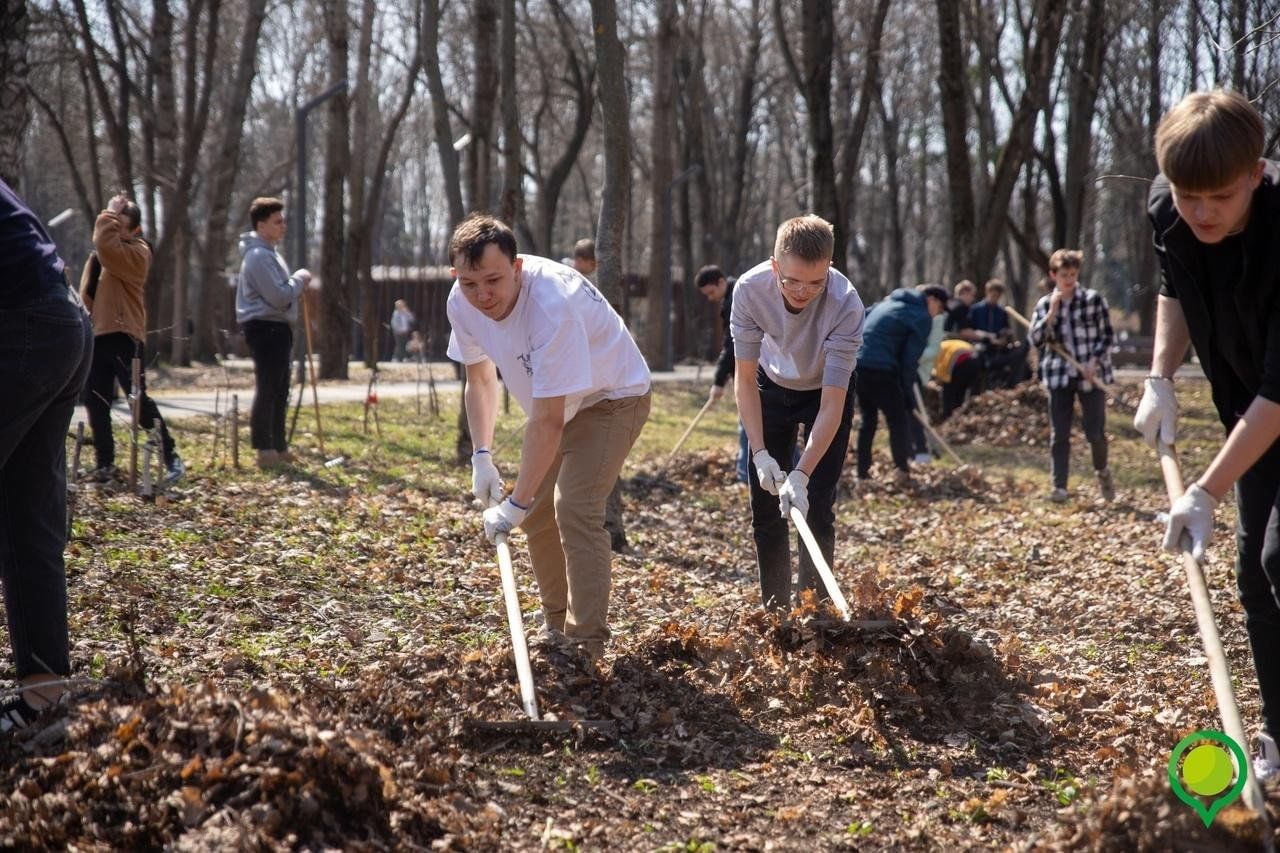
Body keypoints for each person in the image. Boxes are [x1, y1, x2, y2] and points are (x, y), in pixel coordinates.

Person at [1138, 89, 1280, 779]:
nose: (1199, 212)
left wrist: (1205, 489)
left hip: (1273, 402)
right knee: (1256, 577)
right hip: (1246, 412)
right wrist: (1160, 375)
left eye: (1218, 196)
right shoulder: (1170, 210)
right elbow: (1175, 287)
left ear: (1257, 172)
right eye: (1187, 194)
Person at [447, 215, 651, 661]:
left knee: (574, 506)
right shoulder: (461, 303)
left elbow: (549, 422)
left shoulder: (551, 304)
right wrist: (481, 455)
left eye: (494, 281)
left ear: (517, 267)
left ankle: (586, 641)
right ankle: (555, 624)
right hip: (560, 403)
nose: (483, 295)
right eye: (469, 283)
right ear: (455, 276)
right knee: (538, 513)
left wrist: (513, 505)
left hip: (614, 394)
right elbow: (480, 379)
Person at [731, 215, 865, 613]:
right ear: (775, 266)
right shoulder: (750, 290)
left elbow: (832, 405)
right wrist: (759, 453)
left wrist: (801, 475)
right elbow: (743, 379)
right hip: (770, 387)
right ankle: (775, 611)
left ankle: (814, 610)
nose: (802, 291)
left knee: (818, 506)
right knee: (766, 506)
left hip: (825, 389)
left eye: (815, 282)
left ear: (830, 268)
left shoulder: (846, 303)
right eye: (791, 280)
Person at [0, 178, 94, 733]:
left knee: (27, 517)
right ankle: (43, 700)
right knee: (25, 516)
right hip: (62, 320)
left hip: (26, 326)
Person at [79, 193, 184, 484]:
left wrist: (107, 215)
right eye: (113, 222)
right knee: (96, 401)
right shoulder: (100, 256)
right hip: (98, 335)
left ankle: (171, 457)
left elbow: (107, 248)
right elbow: (86, 296)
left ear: (135, 229)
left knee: (138, 402)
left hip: (126, 336)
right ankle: (105, 464)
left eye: (120, 224)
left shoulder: (138, 252)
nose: (115, 228)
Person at [1028, 249, 1115, 503]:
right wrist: (1051, 314)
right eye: (1064, 275)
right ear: (1053, 275)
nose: (1069, 280)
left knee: (1094, 432)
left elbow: (1107, 335)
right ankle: (1059, 487)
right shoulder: (1045, 304)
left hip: (1091, 374)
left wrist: (1093, 361)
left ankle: (1102, 471)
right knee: (1060, 433)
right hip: (1059, 375)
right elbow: (1035, 339)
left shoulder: (1093, 300)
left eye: (1073, 274)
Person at [235, 197, 311, 469]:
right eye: (277, 221)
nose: (283, 226)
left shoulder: (270, 253)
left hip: (277, 327)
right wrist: (299, 281)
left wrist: (294, 287)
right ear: (261, 224)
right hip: (264, 327)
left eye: (283, 220)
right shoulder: (257, 256)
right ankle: (263, 447)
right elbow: (279, 296)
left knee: (281, 389)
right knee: (268, 386)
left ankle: (278, 446)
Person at [854, 286, 949, 481]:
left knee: (868, 420)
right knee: (898, 419)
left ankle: (862, 473)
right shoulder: (920, 315)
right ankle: (902, 470)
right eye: (938, 309)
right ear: (931, 299)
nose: (936, 314)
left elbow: (862, 320)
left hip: (858, 364)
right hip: (881, 368)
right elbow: (910, 359)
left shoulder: (886, 303)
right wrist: (907, 393)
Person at [696, 265, 749, 483]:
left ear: (720, 282)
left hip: (753, 373)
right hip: (753, 370)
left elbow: (732, 345)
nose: (710, 298)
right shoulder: (736, 294)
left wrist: (718, 382)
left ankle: (745, 476)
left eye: (711, 292)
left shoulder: (735, 300)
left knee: (749, 423)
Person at [970, 279, 1030, 390]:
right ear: (987, 292)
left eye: (997, 296)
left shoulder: (1001, 312)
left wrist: (1006, 336)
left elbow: (1005, 329)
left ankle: (1013, 387)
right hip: (980, 347)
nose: (995, 298)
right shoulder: (975, 310)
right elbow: (971, 331)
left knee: (1019, 357)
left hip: (998, 348)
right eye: (993, 295)